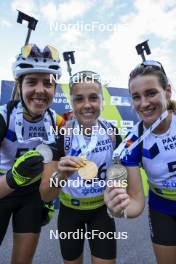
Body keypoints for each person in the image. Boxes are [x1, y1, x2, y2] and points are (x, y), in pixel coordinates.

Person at [40, 70, 122, 264]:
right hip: (70, 214)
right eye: (79, 99)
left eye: (93, 98)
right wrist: (61, 174)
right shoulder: (61, 134)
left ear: (102, 100)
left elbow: (118, 171)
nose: (86, 105)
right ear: (71, 102)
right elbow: (46, 194)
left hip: (101, 213)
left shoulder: (111, 132)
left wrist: (118, 192)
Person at [104, 60, 176, 264]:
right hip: (163, 208)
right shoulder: (131, 143)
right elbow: (136, 202)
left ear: (167, 91)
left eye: (151, 93)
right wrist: (119, 209)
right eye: (136, 97)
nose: (144, 103)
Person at [0, 43, 64, 263]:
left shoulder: (57, 123)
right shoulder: (3, 117)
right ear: (20, 85)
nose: (40, 90)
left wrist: (49, 196)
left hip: (31, 198)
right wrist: (12, 179)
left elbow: (52, 187)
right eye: (31, 82)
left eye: (48, 83)